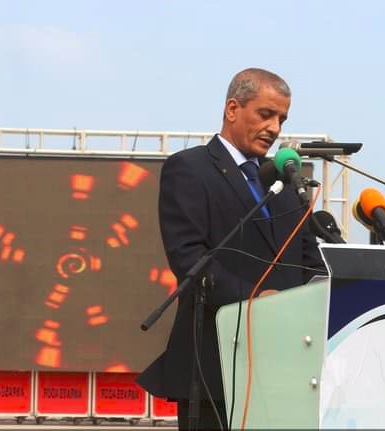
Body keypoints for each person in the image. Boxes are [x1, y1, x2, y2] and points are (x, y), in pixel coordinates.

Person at [137, 68, 325, 430]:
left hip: (287, 369)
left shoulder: (286, 184)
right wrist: (257, 300)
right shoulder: (189, 169)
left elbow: (310, 261)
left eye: (282, 119)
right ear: (233, 109)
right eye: (266, 114)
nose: (275, 129)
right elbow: (189, 257)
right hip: (216, 365)